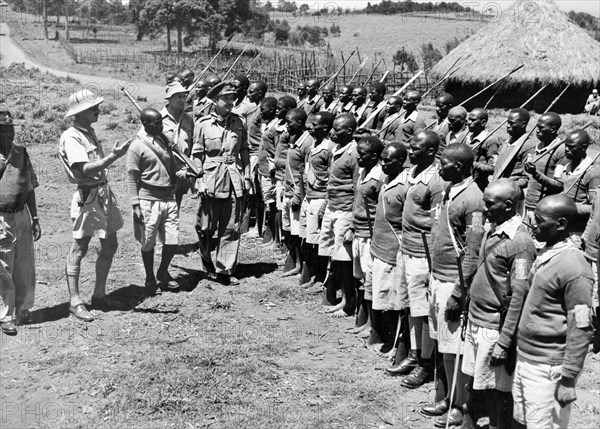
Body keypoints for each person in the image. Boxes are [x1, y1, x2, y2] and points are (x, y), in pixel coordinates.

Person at [512, 195, 594, 429]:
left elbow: (581, 325)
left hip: (549, 369)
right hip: (527, 357)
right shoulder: (545, 252)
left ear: (561, 225)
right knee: (521, 421)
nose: (533, 226)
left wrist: (568, 379)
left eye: (539, 221)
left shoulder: (575, 269)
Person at [461, 179, 536, 429]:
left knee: (497, 390)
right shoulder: (493, 227)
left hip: (494, 327)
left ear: (507, 205)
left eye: (489, 204)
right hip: (476, 320)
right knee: (476, 382)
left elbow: (518, 296)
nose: (483, 209)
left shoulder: (521, 242)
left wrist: (504, 341)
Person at [425, 143, 485, 427]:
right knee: (445, 346)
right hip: (439, 277)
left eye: (445, 163)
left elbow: (472, 254)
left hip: (454, 282)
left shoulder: (473, 199)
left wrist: (459, 294)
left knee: (455, 348)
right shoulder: (450, 189)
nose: (440, 168)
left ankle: (459, 404)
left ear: (459, 167)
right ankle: (448, 396)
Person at [59, 89, 130, 322]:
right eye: (93, 108)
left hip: (103, 193)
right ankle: (75, 301)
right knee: (79, 248)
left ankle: (99, 295)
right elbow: (84, 169)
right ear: (79, 113)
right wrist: (112, 157)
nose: (98, 110)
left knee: (110, 244)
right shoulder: (72, 137)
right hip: (88, 197)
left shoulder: (87, 132)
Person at [387, 131, 445, 389]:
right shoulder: (412, 173)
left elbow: (437, 224)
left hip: (424, 254)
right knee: (410, 307)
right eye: (410, 147)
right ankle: (413, 353)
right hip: (407, 248)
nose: (410, 152)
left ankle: (425, 363)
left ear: (431, 152)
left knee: (424, 312)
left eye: (416, 149)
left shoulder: (436, 180)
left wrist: (434, 260)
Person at [192, 83, 251, 286]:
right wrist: (199, 180)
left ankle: (225, 269)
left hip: (234, 177)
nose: (229, 102)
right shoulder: (203, 123)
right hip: (210, 178)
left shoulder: (239, 122)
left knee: (231, 227)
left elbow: (244, 149)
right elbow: (197, 154)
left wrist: (248, 175)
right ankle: (207, 263)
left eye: (232, 98)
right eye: (225, 98)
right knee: (205, 227)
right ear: (215, 101)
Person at [127, 108, 189, 294]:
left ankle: (162, 272)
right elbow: (131, 177)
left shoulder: (165, 143)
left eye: (162, 122)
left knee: (172, 241)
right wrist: (135, 204)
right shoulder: (136, 146)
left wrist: (182, 171)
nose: (162, 126)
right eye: (157, 123)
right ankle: (149, 277)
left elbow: (173, 167)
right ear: (145, 124)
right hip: (148, 200)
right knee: (148, 243)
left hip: (169, 198)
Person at [0, 111, 41, 335]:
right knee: (4, 267)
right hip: (1, 217)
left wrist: (34, 218)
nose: (8, 133)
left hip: (21, 214)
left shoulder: (21, 153)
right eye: (3, 129)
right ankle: (5, 316)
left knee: (25, 264)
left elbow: (29, 187)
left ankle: (23, 309)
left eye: (10, 128)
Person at [368, 142, 408, 353]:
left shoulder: (404, 187)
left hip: (392, 251)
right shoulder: (385, 179)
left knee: (393, 302)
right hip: (378, 247)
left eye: (388, 160)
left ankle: (396, 344)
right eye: (381, 159)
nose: (382, 163)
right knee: (379, 297)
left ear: (400, 162)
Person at [318, 114, 359, 318]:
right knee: (335, 258)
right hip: (333, 207)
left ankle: (349, 303)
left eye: (337, 129)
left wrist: (352, 223)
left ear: (349, 132)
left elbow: (357, 189)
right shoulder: (336, 150)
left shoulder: (354, 154)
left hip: (345, 210)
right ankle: (343, 299)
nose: (332, 132)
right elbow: (332, 181)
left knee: (345, 260)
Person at [349, 136, 385, 335]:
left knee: (370, 280)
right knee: (361, 278)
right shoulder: (363, 171)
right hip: (358, 230)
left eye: (362, 155)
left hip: (370, 234)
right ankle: (364, 319)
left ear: (374, 156)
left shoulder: (379, 178)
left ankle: (373, 324)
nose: (358, 158)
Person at [300, 111, 335, 292]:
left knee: (322, 243)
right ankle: (314, 274)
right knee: (311, 241)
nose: (310, 128)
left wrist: (325, 203)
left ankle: (322, 279)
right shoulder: (314, 144)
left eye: (314, 125)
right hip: (309, 197)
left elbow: (332, 177)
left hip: (320, 199)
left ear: (326, 128)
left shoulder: (330, 149)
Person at [280, 108, 313, 277]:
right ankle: (295, 262)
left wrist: (298, 196)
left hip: (296, 194)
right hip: (288, 190)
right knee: (291, 231)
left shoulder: (308, 143)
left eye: (289, 122)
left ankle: (302, 266)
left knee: (299, 233)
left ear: (300, 123)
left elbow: (307, 174)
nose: (286, 125)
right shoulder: (294, 138)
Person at [554, 129, 600, 236]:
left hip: (579, 230)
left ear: (584, 147)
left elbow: (595, 208)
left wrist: (571, 207)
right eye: (566, 146)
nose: (566, 149)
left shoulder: (592, 173)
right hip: (564, 226)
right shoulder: (567, 166)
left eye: (571, 147)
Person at [523, 112, 566, 224]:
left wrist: (535, 174)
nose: (537, 130)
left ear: (553, 129)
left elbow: (559, 186)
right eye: (537, 126)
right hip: (528, 204)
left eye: (541, 128)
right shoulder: (537, 146)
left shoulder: (560, 151)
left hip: (544, 208)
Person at [161, 81, 195, 208]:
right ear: (169, 98)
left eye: (184, 96)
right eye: (178, 96)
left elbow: (192, 144)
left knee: (176, 207)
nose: (182, 100)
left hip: (182, 171)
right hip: (164, 170)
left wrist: (188, 167)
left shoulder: (188, 119)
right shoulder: (158, 118)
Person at [241, 81, 268, 237]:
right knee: (250, 191)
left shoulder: (262, 111)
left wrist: (259, 157)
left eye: (251, 92)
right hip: (250, 152)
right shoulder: (251, 108)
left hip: (256, 155)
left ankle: (259, 227)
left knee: (258, 193)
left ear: (259, 93)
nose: (248, 94)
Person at [273, 96, 299, 245]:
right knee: (281, 209)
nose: (277, 111)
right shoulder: (283, 127)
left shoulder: (292, 132)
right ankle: (282, 242)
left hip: (286, 176)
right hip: (280, 174)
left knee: (287, 212)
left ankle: (285, 244)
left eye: (279, 108)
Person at [255, 97, 280, 243]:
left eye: (263, 110)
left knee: (272, 205)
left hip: (270, 172)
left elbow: (276, 151)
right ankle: (270, 237)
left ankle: (275, 239)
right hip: (263, 169)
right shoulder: (267, 125)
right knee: (268, 203)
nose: (261, 113)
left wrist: (272, 168)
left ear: (272, 110)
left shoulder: (275, 128)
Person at [492, 108, 534, 189]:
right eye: (508, 122)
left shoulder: (527, 145)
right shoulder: (506, 141)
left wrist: (509, 187)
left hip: (510, 192)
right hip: (497, 187)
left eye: (512, 123)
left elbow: (527, 178)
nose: (508, 126)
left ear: (523, 124)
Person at [465, 108, 500, 192]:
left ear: (483, 122)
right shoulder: (467, 136)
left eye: (473, 120)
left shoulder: (491, 140)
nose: (469, 123)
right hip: (464, 182)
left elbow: (494, 168)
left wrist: (474, 164)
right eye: (468, 120)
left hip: (479, 185)